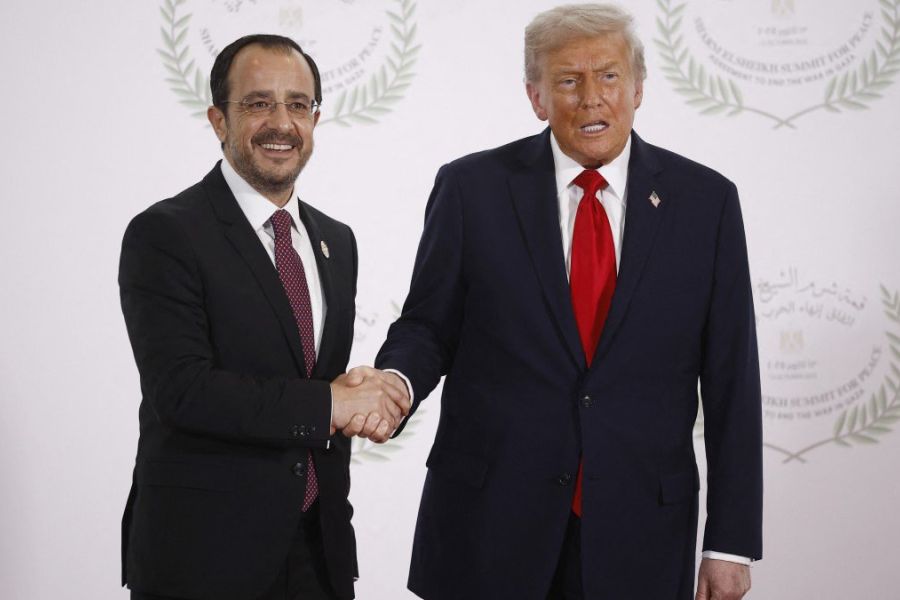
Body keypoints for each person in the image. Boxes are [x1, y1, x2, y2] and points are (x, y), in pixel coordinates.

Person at [370, 4, 762, 599]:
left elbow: (734, 379)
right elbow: (428, 325)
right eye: (568, 80)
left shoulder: (706, 203)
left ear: (639, 88)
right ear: (536, 97)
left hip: (639, 533)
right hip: (488, 526)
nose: (591, 98)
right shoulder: (472, 189)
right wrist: (395, 383)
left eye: (609, 76)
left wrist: (729, 542)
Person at [118, 34, 409, 600]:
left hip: (318, 555)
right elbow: (182, 390)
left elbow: (311, 377)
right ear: (218, 120)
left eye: (298, 105)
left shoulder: (336, 241)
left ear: (315, 120)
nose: (281, 123)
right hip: (202, 561)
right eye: (258, 104)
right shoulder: (166, 233)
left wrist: (359, 395)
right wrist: (331, 404)